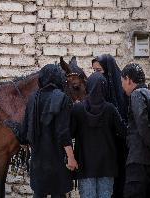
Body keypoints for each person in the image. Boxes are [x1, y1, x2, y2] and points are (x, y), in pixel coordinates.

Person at [17, 64, 78, 198]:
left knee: (39, 194)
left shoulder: (33, 98)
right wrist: (71, 158)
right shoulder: (63, 98)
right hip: (58, 161)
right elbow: (63, 133)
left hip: (38, 161)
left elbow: (24, 130)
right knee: (59, 194)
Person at [71, 72, 125, 198]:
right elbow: (123, 132)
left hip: (85, 165)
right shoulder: (110, 109)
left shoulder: (78, 109)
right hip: (107, 165)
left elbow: (71, 133)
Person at [92, 54, 128, 198]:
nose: (95, 74)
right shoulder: (98, 91)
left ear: (108, 70)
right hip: (103, 149)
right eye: (93, 70)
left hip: (120, 147)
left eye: (98, 70)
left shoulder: (123, 91)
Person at [121, 63, 150, 198]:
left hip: (138, 162)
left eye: (122, 81)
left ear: (129, 79)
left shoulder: (136, 94)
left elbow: (143, 125)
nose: (122, 86)